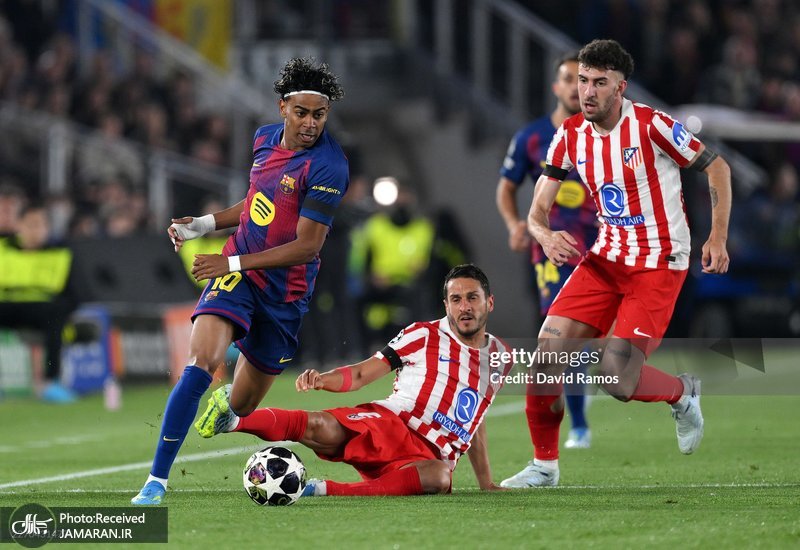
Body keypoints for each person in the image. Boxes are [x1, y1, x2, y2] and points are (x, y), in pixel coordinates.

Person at [505, 39, 731, 488]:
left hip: (658, 263)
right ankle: (544, 467)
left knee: (617, 380)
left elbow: (717, 167)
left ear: (620, 87)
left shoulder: (650, 125)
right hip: (605, 260)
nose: (587, 92)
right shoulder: (570, 134)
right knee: (546, 358)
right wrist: (545, 236)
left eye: (599, 83)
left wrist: (718, 236)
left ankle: (683, 393)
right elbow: (537, 211)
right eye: (582, 81)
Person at [131, 58, 349, 505]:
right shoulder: (264, 139)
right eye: (301, 113)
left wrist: (231, 263)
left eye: (319, 115)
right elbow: (256, 201)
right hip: (241, 276)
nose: (310, 124)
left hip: (285, 294)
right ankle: (156, 481)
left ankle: (228, 406)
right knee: (201, 362)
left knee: (243, 406)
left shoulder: (329, 166)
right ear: (283, 108)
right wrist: (205, 224)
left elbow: (307, 247)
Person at [196, 264, 509, 496]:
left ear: (490, 302)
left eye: (472, 298)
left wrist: (486, 482)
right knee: (320, 426)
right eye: (456, 299)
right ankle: (234, 419)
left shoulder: (502, 358)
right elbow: (361, 373)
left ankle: (323, 490)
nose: (464, 307)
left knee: (440, 477)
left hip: (429, 459)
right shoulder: (423, 334)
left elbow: (476, 418)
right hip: (393, 425)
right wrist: (323, 380)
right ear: (446, 305)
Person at [495, 52, 598, 461]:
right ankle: (578, 425)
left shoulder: (605, 133)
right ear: (556, 87)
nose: (576, 87)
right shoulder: (532, 137)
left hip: (605, 248)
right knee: (561, 339)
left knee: (592, 344)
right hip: (552, 252)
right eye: (569, 79)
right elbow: (506, 187)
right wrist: (514, 224)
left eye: (583, 79)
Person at [0, 202, 76, 402]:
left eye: (40, 225)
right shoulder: (3, 249)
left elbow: (74, 293)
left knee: (56, 314)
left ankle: (51, 382)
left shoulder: (61, 253)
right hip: (6, 305)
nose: (36, 230)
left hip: (42, 309)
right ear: (18, 225)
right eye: (31, 224)